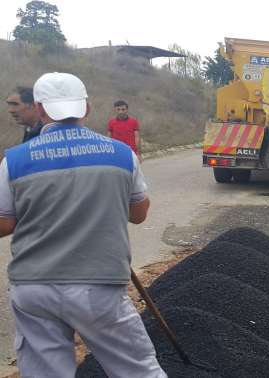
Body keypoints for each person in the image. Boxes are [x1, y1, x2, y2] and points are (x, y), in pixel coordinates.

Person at [0, 72, 166, 377]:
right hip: (99, 286)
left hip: (35, 287)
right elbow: (138, 214)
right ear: (86, 108)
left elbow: (4, 224)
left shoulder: (14, 161)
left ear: (38, 108)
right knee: (137, 370)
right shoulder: (121, 155)